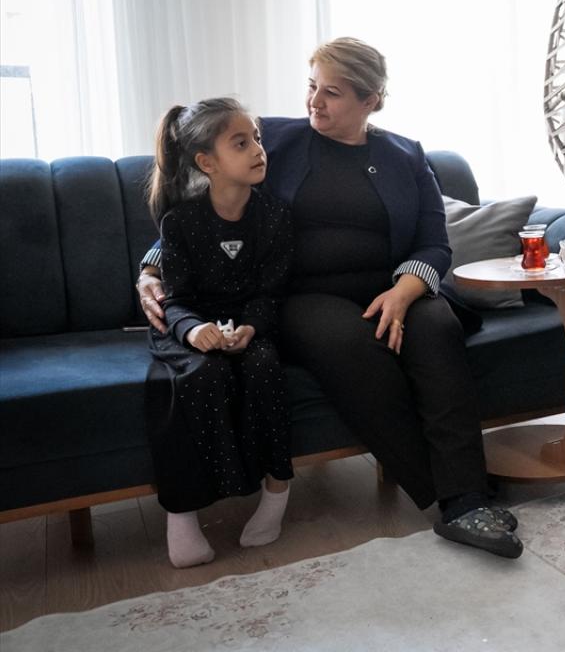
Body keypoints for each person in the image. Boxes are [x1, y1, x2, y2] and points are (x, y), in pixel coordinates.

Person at [138, 38, 522, 559]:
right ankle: (449, 497)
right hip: (304, 295)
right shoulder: (275, 140)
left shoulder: (406, 155)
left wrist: (404, 292)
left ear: (371, 101)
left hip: (393, 286)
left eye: (332, 93)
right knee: (350, 345)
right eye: (312, 86)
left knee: (438, 329)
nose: (314, 102)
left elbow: (434, 242)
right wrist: (151, 267)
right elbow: (204, 205)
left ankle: (467, 499)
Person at [145, 98, 294, 568]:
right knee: (199, 377)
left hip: (249, 324)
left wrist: (250, 327)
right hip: (187, 327)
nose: (258, 150)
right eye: (241, 143)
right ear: (207, 162)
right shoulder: (180, 222)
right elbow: (176, 300)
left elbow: (271, 292)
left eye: (257, 139)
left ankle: (276, 494)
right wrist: (193, 332)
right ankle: (183, 517)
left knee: (264, 365)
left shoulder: (275, 215)